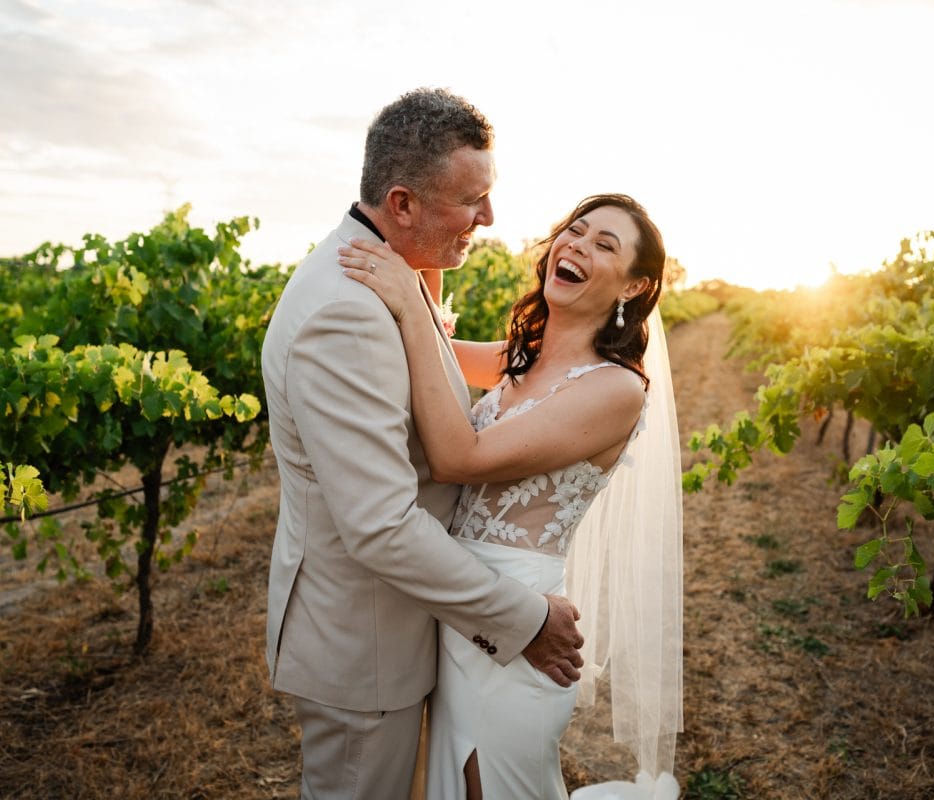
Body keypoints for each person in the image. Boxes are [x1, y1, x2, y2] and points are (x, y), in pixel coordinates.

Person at [260, 87, 586, 800]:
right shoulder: (344, 312)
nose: (489, 219)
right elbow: (380, 525)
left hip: (401, 628)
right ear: (402, 203)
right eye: (472, 199)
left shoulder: (387, 273)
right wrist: (524, 619)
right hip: (363, 647)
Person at [339, 193, 684, 799]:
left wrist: (412, 307)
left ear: (634, 287)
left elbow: (457, 459)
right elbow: (435, 357)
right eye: (574, 231)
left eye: (605, 244)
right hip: (461, 607)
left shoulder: (616, 391)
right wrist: (420, 260)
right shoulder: (517, 360)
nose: (577, 245)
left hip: (522, 625)